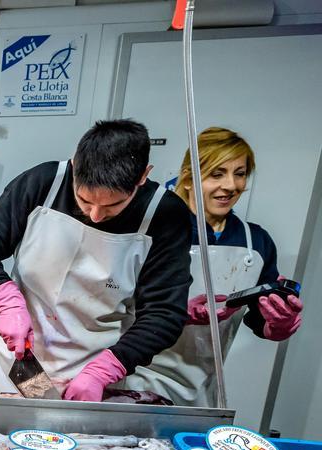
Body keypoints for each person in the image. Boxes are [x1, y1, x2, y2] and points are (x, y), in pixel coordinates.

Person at [0, 119, 192, 402]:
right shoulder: (43, 183)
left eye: (112, 205)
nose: (95, 215)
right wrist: (8, 302)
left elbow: (164, 314)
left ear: (143, 176)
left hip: (97, 367)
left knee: (85, 443)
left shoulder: (165, 215)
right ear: (74, 165)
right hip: (24, 360)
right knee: (16, 437)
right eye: (84, 200)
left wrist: (104, 370)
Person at [126, 127, 303, 406]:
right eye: (216, 174)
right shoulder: (153, 231)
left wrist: (278, 324)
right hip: (137, 379)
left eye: (240, 173)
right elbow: (113, 302)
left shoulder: (255, 242)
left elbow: (259, 319)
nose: (231, 185)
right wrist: (175, 313)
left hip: (204, 392)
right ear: (188, 178)